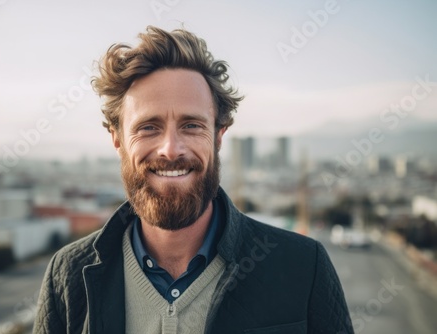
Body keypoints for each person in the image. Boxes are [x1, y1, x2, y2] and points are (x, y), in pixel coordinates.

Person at [33, 26, 354, 334]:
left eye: (191, 126)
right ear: (117, 139)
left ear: (218, 136)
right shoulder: (68, 276)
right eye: (148, 127)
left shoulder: (303, 268)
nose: (171, 149)